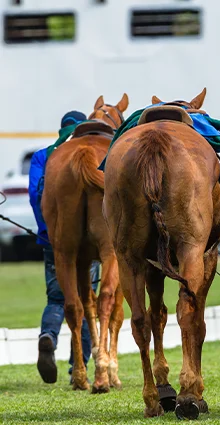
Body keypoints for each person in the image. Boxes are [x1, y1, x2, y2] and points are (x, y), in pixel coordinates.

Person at [28, 110, 100, 384]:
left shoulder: (44, 155)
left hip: (53, 239)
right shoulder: (92, 151)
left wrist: (48, 230)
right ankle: (77, 366)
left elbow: (37, 194)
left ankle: (49, 335)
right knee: (86, 299)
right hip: (90, 240)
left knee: (57, 298)